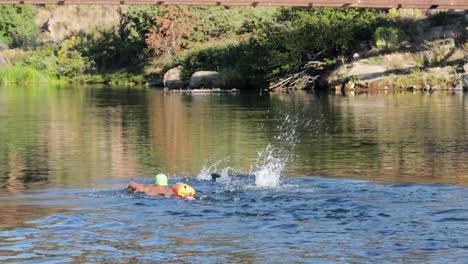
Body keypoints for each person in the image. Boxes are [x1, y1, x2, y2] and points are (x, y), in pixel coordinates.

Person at [128, 173, 196, 199]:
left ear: (156, 182)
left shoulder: (148, 188)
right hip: (170, 197)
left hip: (151, 198)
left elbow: (132, 184)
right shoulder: (171, 190)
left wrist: (131, 182)